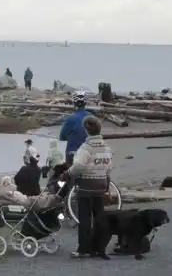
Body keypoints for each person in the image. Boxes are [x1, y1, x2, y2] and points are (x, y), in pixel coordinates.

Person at [61, 116, 113, 258]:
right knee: (99, 218)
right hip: (101, 186)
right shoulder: (107, 148)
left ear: (86, 130)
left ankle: (84, 249)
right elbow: (109, 168)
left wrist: (67, 173)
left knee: (84, 218)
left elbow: (79, 166)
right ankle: (98, 247)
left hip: (86, 186)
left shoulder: (85, 148)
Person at [59, 91, 90, 165]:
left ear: (74, 103)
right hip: (89, 154)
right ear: (85, 103)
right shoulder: (93, 118)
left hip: (73, 155)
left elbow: (62, 137)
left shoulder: (70, 119)